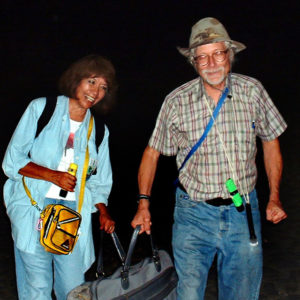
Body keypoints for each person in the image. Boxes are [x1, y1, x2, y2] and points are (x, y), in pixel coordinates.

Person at [131, 17, 287, 300]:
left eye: (218, 53)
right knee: (188, 295)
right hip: (193, 214)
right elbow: (152, 152)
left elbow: (270, 140)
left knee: (241, 294)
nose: (212, 63)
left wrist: (274, 196)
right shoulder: (177, 101)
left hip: (243, 212)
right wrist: (143, 204)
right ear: (193, 62)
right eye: (202, 57)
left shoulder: (253, 91)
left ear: (230, 54)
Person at [2, 54, 117, 300]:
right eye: (91, 81)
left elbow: (99, 180)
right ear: (77, 79)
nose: (95, 91)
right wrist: (52, 175)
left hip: (73, 214)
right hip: (34, 206)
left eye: (103, 87)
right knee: (37, 286)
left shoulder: (98, 131)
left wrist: (103, 211)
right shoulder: (41, 108)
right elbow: (13, 160)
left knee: (74, 289)